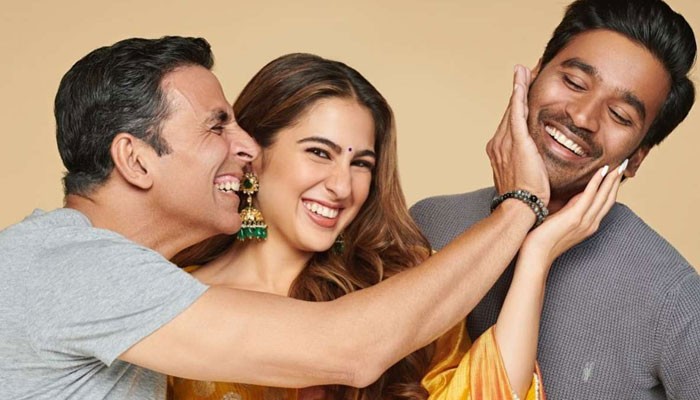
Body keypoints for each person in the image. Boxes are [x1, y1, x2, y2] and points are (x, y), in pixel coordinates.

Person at [0, 36, 552, 399]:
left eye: (361, 162)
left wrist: (534, 254)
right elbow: (351, 350)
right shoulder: (74, 270)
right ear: (135, 159)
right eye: (217, 126)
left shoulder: (128, 283)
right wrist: (519, 207)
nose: (244, 147)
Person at [168, 53, 623, 400]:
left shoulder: (394, 285)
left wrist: (536, 255)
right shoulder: (174, 298)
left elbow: (486, 390)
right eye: (319, 153)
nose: (341, 186)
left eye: (361, 163)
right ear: (253, 152)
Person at [410, 0, 700, 398]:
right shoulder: (428, 224)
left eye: (619, 115)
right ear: (533, 76)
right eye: (575, 83)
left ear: (636, 158)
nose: (582, 117)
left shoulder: (672, 296)